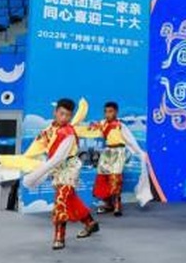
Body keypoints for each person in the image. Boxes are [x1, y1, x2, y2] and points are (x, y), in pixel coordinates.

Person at [23, 98, 99, 250]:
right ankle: (90, 223)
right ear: (55, 112)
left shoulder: (68, 133)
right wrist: (26, 161)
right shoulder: (48, 130)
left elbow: (58, 158)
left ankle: (59, 236)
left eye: (68, 115)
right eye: (61, 114)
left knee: (61, 198)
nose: (64, 118)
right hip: (57, 169)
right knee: (70, 198)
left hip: (69, 167)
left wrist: (35, 175)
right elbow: (39, 147)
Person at [77, 101, 146, 217]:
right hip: (107, 152)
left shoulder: (121, 126)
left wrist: (140, 152)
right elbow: (90, 131)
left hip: (118, 152)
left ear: (116, 112)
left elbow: (130, 141)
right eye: (106, 112)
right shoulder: (102, 124)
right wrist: (76, 130)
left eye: (110, 112)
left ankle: (117, 204)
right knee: (102, 178)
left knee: (115, 178)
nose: (107, 114)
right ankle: (108, 204)